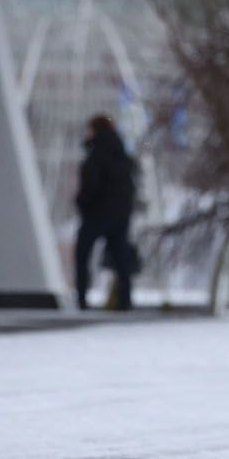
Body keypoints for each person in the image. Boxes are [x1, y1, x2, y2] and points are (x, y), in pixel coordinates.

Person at [73, 115, 139, 312]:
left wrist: (81, 203)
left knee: (82, 255)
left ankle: (82, 299)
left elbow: (90, 186)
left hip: (96, 214)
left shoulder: (96, 154)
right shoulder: (121, 154)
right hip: (120, 214)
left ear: (94, 129)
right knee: (121, 259)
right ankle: (125, 300)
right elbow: (131, 185)